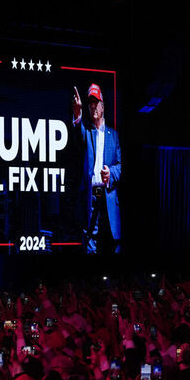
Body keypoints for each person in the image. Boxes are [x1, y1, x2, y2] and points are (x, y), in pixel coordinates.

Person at [72, 83, 122, 254]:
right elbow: (78, 133)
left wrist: (111, 174)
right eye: (90, 103)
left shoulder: (113, 136)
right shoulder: (87, 131)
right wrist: (77, 113)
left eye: (96, 102)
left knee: (113, 240)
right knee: (90, 240)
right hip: (91, 196)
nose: (93, 106)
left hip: (108, 195)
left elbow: (120, 166)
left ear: (102, 105)